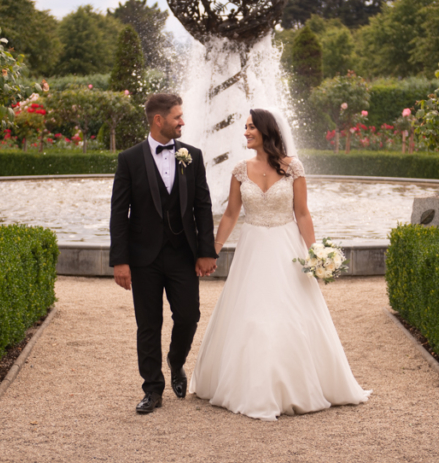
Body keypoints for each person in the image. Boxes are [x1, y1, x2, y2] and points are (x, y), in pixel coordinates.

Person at [191, 108, 371, 421]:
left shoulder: (293, 168)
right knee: (252, 313)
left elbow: (302, 213)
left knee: (292, 311)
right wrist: (214, 250)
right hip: (253, 249)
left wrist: (315, 253)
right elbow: (232, 214)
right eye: (244, 128)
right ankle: (252, 386)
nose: (245, 132)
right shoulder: (239, 170)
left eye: (250, 128)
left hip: (287, 248)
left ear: (265, 131)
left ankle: (298, 384)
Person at [110, 93, 217, 414]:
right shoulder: (129, 159)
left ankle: (176, 360)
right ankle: (152, 389)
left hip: (183, 255)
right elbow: (119, 213)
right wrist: (120, 260)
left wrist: (206, 251)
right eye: (177, 117)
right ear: (159, 120)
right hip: (144, 258)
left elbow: (203, 207)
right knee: (148, 324)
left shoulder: (192, 156)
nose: (183, 122)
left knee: (189, 316)